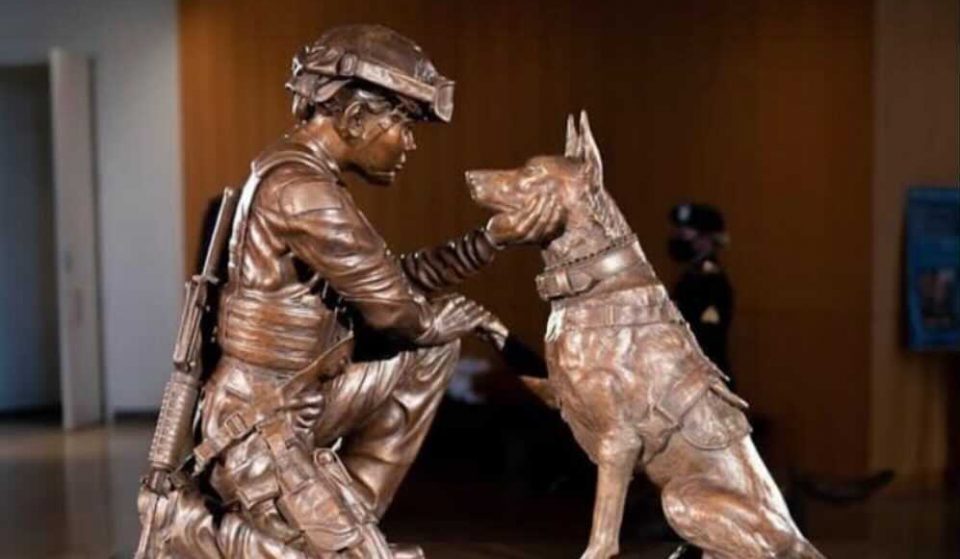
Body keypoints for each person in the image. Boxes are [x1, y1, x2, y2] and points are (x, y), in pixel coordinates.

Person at [140, 24, 560, 558]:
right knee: (428, 340)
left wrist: (490, 240)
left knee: (432, 350)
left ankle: (344, 515)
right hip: (261, 422)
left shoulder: (307, 178)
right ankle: (193, 529)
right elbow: (400, 316)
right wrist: (462, 318)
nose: (409, 143)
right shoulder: (303, 193)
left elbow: (392, 283)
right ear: (357, 118)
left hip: (300, 399)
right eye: (404, 125)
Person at [668, 203, 734, 379]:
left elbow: (706, 333)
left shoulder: (711, 280)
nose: (679, 239)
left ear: (706, 240)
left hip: (705, 378)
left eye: (685, 235)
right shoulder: (691, 276)